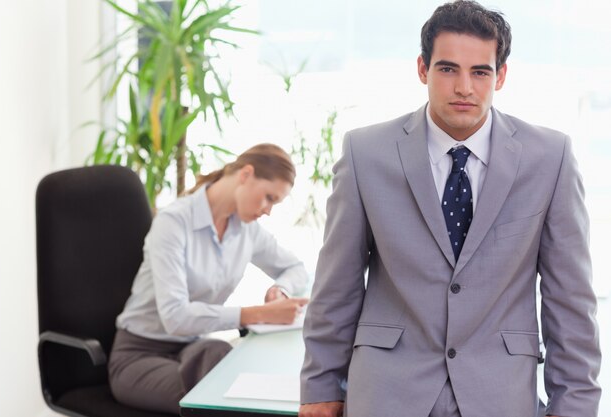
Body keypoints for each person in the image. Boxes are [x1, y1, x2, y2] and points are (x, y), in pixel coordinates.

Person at [299, 1, 601, 417]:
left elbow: (569, 301)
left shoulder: (550, 158)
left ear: (502, 75)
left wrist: (576, 406)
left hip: (500, 395)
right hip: (387, 392)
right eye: (447, 69)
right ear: (422, 69)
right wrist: (319, 388)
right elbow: (337, 287)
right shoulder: (366, 153)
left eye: (480, 72)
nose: (464, 87)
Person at [109, 143, 309, 414]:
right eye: (269, 198)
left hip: (193, 347)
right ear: (246, 174)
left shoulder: (246, 230)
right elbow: (175, 316)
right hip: (139, 355)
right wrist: (261, 314)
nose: (268, 210)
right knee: (219, 397)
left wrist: (281, 289)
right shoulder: (174, 222)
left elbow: (296, 268)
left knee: (222, 357)